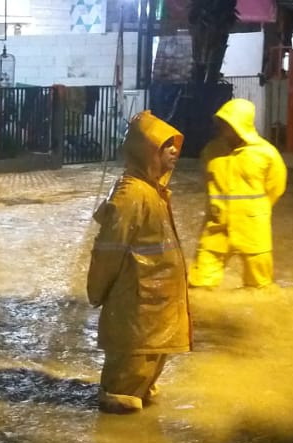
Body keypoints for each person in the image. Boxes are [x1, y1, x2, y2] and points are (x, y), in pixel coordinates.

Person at [87, 111, 190, 413]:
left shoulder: (153, 191)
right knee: (122, 395)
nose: (174, 151)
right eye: (165, 145)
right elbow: (108, 251)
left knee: (143, 381)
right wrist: (97, 290)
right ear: (147, 150)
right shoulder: (132, 194)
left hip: (154, 309)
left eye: (174, 144)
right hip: (138, 307)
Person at [188, 98, 288, 289]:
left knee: (259, 288)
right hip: (216, 228)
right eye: (220, 122)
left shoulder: (266, 153)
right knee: (198, 286)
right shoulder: (211, 151)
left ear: (240, 124)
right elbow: (208, 185)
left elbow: (276, 188)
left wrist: (254, 211)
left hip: (253, 229)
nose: (220, 127)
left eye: (226, 123)